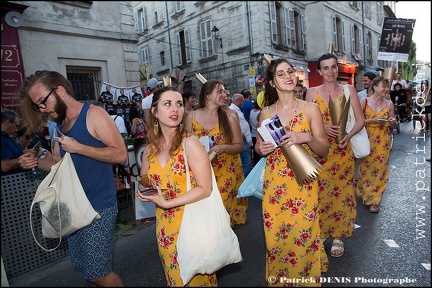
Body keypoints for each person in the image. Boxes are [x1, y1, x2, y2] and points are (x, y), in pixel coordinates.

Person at [18, 70, 126, 287]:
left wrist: (79, 148)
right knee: (90, 273)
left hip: (98, 208)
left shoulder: (94, 114)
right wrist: (35, 162)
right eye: (37, 105)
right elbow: (58, 165)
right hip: (72, 208)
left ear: (59, 91)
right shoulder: (56, 125)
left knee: (99, 273)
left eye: (42, 102)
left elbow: (120, 154)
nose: (41, 109)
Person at [255, 58, 330, 286]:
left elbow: (324, 149)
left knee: (303, 238)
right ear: (271, 82)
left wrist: (305, 137)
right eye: (281, 74)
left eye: (290, 72)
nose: (288, 76)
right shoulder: (266, 113)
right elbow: (259, 148)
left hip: (303, 185)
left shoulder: (310, 109)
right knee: (277, 241)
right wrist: (263, 148)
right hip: (275, 188)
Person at [136, 86, 217, 286]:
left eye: (179, 104)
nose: (175, 109)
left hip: (193, 225)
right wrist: (144, 191)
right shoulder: (149, 150)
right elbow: (146, 180)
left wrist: (167, 202)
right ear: (154, 111)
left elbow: (205, 189)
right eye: (168, 104)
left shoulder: (190, 144)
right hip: (165, 229)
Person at [305, 53, 364, 259]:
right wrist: (322, 127)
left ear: (337, 69)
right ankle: (321, 232)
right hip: (320, 151)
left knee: (343, 193)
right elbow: (305, 123)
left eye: (333, 67)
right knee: (320, 193)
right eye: (326, 68)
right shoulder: (311, 93)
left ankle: (338, 236)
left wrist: (349, 135)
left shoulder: (349, 90)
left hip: (342, 150)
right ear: (319, 71)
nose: (330, 72)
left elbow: (360, 119)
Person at [184, 80, 248, 227]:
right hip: (202, 173)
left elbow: (239, 146)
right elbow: (185, 146)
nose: (224, 94)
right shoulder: (191, 117)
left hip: (226, 172)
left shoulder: (230, 116)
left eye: (224, 91)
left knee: (222, 218)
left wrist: (223, 147)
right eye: (219, 91)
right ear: (207, 95)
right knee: (206, 218)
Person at [355, 76, 396, 213]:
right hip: (367, 139)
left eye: (387, 87)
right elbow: (357, 122)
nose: (386, 89)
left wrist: (391, 121)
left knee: (381, 169)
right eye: (383, 86)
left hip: (383, 140)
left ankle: (375, 200)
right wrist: (372, 120)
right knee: (366, 168)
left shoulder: (389, 104)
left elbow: (394, 123)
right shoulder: (364, 102)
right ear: (375, 87)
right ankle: (365, 191)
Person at [1, 110, 34, 175]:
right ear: (8, 122)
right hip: (11, 182)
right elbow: (5, 166)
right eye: (16, 126)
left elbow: (15, 155)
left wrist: (26, 152)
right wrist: (25, 158)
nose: (17, 130)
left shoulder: (8, 138)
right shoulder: (2, 139)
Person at [229, 93, 253, 177]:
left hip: (243, 139)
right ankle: (246, 180)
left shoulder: (236, 110)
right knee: (246, 161)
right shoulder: (232, 110)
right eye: (242, 100)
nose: (244, 102)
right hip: (241, 139)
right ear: (237, 100)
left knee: (246, 160)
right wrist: (239, 134)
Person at [249, 100, 262, 166]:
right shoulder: (261, 112)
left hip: (253, 133)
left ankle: (255, 164)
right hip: (259, 134)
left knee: (254, 151)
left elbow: (250, 122)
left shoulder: (252, 111)